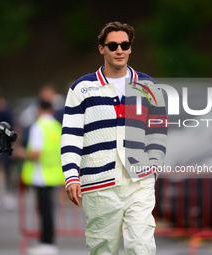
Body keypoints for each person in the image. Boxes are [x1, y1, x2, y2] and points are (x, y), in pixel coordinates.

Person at [61, 21, 168, 254]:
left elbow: (157, 132)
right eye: (113, 45)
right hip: (99, 185)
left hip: (138, 183)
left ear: (130, 48)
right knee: (102, 249)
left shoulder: (148, 86)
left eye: (125, 44)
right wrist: (71, 176)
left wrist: (153, 168)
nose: (119, 50)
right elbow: (71, 135)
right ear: (102, 49)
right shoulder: (82, 88)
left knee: (142, 247)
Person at [15, 85, 65, 255]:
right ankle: (48, 243)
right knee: (48, 211)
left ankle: (47, 244)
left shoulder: (38, 127)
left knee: (44, 211)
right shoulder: (57, 127)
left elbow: (35, 154)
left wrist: (20, 153)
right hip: (54, 174)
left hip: (40, 175)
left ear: (38, 109)